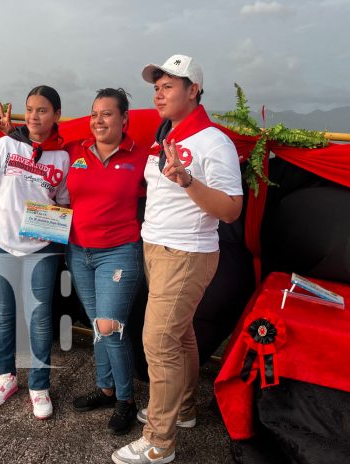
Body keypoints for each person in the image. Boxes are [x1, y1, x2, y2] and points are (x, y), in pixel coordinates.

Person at [113, 55, 243, 463]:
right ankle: (182, 409)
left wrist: (187, 180)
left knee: (159, 343)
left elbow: (231, 209)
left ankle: (159, 443)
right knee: (181, 336)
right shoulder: (166, 134)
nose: (159, 93)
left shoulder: (212, 141)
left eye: (169, 86)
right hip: (157, 249)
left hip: (185, 253)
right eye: (157, 86)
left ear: (194, 90)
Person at [0, 85, 70, 420]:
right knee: (2, 312)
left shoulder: (64, 156)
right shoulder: (6, 144)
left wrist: (55, 224)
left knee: (39, 316)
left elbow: (65, 201)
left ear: (56, 114)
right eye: (29, 110)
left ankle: (39, 385)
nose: (33, 116)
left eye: (41, 110)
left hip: (41, 246)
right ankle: (6, 377)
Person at [65, 88, 148, 435]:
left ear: (124, 119)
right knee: (97, 324)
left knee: (110, 329)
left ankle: (126, 401)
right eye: (94, 113)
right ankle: (106, 389)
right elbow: (37, 146)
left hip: (119, 252)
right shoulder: (75, 152)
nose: (99, 120)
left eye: (108, 114)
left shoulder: (142, 157)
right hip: (78, 251)